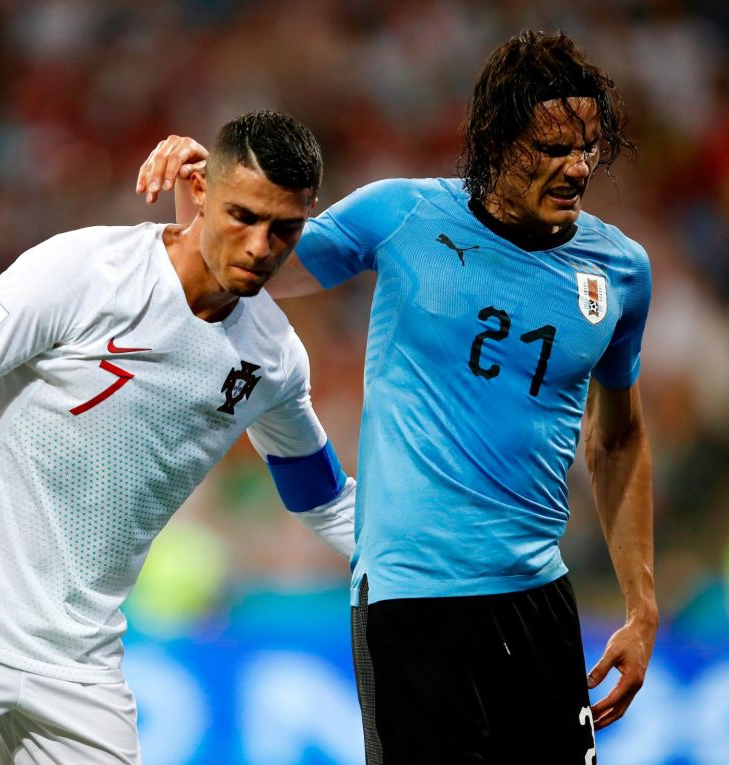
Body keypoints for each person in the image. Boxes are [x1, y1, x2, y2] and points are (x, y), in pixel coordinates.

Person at [138, 30, 656, 764]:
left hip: (540, 596)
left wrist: (641, 605)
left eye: (589, 148)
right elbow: (256, 262)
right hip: (414, 601)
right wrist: (216, 189)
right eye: (552, 149)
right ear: (499, 141)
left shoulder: (620, 271)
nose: (576, 168)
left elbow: (620, 439)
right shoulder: (403, 218)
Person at [0, 110, 355, 763]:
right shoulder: (84, 271)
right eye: (242, 216)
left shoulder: (272, 359)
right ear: (200, 193)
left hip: (76, 661)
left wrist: (445, 567)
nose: (260, 246)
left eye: (285, 228)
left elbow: (323, 497)